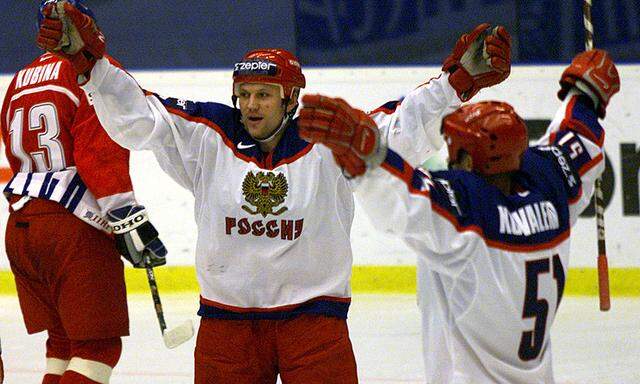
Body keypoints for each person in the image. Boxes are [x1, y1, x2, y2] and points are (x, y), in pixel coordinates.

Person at [35, 2, 510, 382]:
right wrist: (91, 64)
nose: (250, 103)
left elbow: (402, 123)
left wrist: (458, 82)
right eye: (244, 93)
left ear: (290, 97)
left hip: (315, 325)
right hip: (226, 327)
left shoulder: (328, 135)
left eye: (264, 93)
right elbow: (140, 115)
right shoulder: (207, 133)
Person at [297, 49, 620, 383]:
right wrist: (585, 95)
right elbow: (579, 141)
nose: (450, 158)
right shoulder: (551, 184)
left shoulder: (468, 211)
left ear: (470, 159)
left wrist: (371, 159)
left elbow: (406, 201)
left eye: (456, 150)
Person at [1, 1, 166, 383]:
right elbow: (98, 151)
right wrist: (126, 215)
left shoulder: (20, 78)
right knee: (98, 349)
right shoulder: (90, 72)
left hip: (22, 225)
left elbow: (13, 147)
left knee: (62, 344)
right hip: (72, 229)